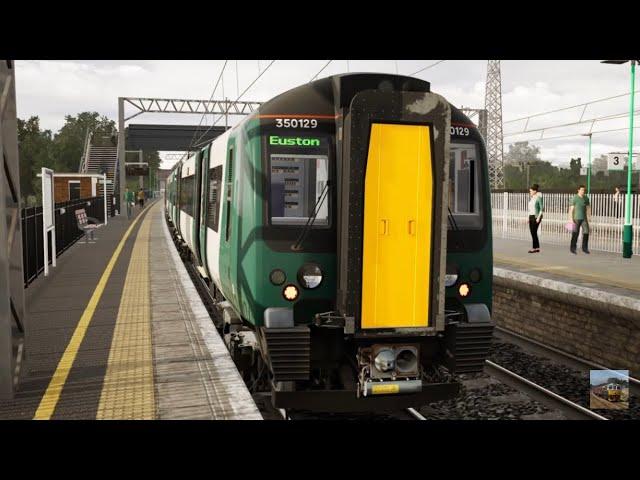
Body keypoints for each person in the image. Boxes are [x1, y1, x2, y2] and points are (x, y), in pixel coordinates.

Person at [569, 184, 591, 254]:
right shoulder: (574, 198)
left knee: (586, 232)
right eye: (582, 190)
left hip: (584, 218)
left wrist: (589, 216)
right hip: (576, 218)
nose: (583, 191)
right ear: (578, 190)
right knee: (575, 233)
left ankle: (585, 248)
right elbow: (571, 209)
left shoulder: (586, 198)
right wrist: (570, 219)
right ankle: (573, 248)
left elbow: (588, 208)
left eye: (584, 190)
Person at [527, 183, 544, 253]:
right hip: (531, 216)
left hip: (536, 216)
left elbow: (541, 208)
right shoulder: (532, 199)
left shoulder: (538, 198)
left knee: (533, 232)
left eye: (530, 191)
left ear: (534, 191)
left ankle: (534, 248)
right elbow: (530, 209)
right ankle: (537, 247)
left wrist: (538, 218)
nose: (530, 192)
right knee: (532, 232)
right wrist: (528, 218)